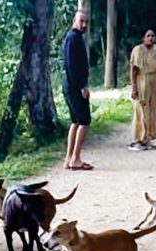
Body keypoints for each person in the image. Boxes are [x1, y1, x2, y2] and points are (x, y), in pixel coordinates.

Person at [63, 11, 93, 170]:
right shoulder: (73, 38)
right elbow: (72, 66)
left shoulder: (74, 37)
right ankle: (75, 158)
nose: (84, 25)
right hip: (74, 86)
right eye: (81, 21)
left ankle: (69, 158)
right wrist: (82, 86)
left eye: (86, 22)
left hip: (71, 85)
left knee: (75, 121)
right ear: (74, 20)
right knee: (84, 121)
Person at [128, 29, 156, 151]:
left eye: (153, 36)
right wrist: (134, 88)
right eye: (148, 36)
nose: (151, 38)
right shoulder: (138, 50)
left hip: (154, 83)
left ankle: (147, 138)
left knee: (152, 110)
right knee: (141, 110)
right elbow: (133, 70)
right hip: (142, 81)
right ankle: (138, 139)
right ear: (143, 38)